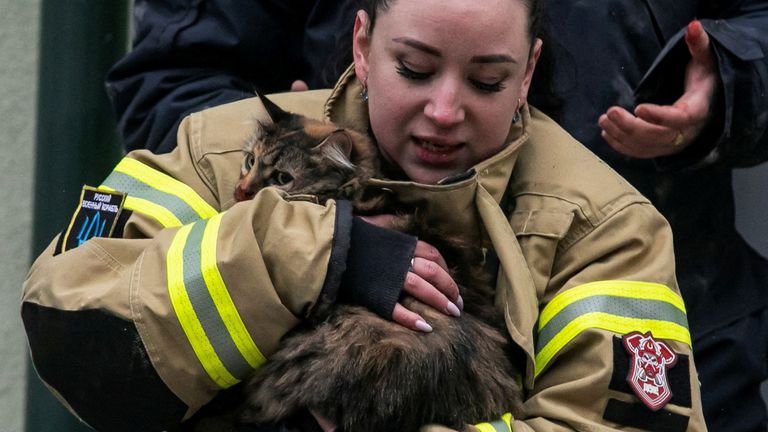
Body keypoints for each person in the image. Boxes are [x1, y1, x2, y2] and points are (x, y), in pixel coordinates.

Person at [24, 0, 707, 430]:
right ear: (361, 43)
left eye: (487, 81)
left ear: (528, 72)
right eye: (414, 68)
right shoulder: (219, 146)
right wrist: (307, 251)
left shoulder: (604, 224)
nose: (444, 111)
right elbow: (71, 324)